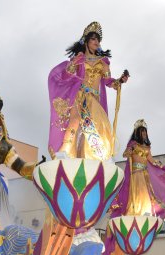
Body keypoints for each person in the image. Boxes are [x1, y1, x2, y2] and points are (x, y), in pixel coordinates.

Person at [48, 21, 129, 161]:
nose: (96, 41)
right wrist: (73, 64)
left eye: (98, 39)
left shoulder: (103, 63)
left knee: (98, 124)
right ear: (86, 41)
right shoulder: (79, 59)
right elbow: (68, 75)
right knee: (74, 123)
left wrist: (120, 81)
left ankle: (97, 155)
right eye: (93, 38)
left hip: (94, 99)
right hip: (79, 97)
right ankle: (66, 152)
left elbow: (109, 82)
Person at [110, 119, 165, 218]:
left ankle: (145, 212)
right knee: (137, 193)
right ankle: (135, 211)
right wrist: (130, 150)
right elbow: (125, 155)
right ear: (138, 133)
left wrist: (159, 164)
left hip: (144, 174)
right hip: (135, 174)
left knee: (146, 194)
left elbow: (150, 159)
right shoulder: (133, 144)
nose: (144, 134)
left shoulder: (147, 147)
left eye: (145, 132)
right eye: (143, 132)